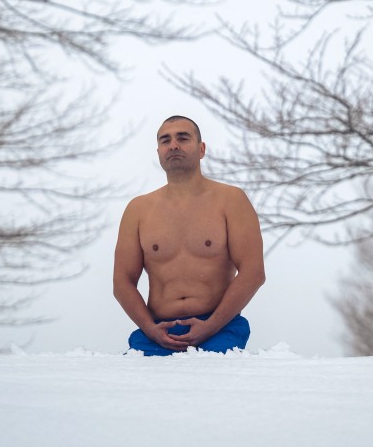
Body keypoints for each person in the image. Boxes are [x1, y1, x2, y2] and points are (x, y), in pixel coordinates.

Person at [113, 115, 266, 355]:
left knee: (208, 385)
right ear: (159, 151)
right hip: (158, 330)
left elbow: (253, 272)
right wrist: (149, 328)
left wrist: (211, 326)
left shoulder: (231, 200)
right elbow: (122, 282)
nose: (173, 145)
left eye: (183, 138)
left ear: (201, 149)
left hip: (219, 328)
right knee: (139, 387)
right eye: (165, 140)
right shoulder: (138, 209)